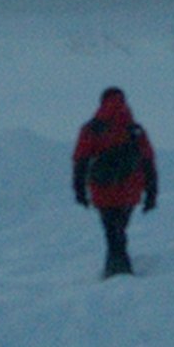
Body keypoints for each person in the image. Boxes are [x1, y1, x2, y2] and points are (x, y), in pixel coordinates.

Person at [70, 86, 159, 277]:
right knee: (119, 228)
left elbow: (80, 161)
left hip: (102, 191)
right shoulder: (135, 130)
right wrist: (151, 194)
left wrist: (79, 191)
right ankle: (119, 267)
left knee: (111, 229)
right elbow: (148, 163)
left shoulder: (91, 129)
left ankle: (116, 269)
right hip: (130, 190)